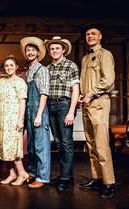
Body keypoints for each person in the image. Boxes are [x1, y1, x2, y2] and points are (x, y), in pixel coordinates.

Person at [78, 23, 116, 198]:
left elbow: (108, 80)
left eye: (93, 33)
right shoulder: (86, 59)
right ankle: (97, 177)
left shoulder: (105, 54)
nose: (90, 36)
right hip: (86, 103)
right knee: (91, 144)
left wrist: (91, 94)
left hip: (99, 102)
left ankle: (109, 182)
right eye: (87, 34)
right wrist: (82, 95)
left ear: (100, 36)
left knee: (101, 144)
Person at [44, 36, 80, 192]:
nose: (54, 51)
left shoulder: (71, 66)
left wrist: (71, 111)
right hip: (50, 105)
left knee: (66, 142)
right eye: (52, 49)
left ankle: (64, 178)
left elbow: (76, 90)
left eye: (57, 48)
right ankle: (67, 175)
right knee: (58, 142)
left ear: (63, 49)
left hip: (64, 105)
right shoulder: (47, 68)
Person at [0, 55, 29, 186]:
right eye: (6, 65)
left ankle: (22, 173)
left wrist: (20, 120)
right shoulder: (1, 81)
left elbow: (22, 102)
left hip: (13, 118)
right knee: (5, 147)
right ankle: (12, 174)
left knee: (12, 148)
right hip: (2, 118)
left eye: (11, 65)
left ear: (16, 67)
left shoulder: (20, 82)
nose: (9, 67)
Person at [20, 37, 51, 189]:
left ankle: (42, 177)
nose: (30, 52)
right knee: (31, 146)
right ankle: (32, 172)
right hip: (29, 112)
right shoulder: (29, 71)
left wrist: (39, 115)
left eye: (33, 50)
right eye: (28, 50)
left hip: (39, 111)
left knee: (41, 146)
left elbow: (44, 93)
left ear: (38, 53)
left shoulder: (42, 70)